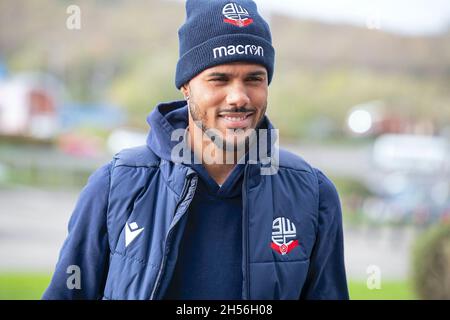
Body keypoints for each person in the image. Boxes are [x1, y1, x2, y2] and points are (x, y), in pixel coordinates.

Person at [43, 0, 349, 300]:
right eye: (220, 79)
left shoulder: (313, 193)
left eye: (254, 79)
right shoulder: (116, 185)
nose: (238, 97)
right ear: (186, 86)